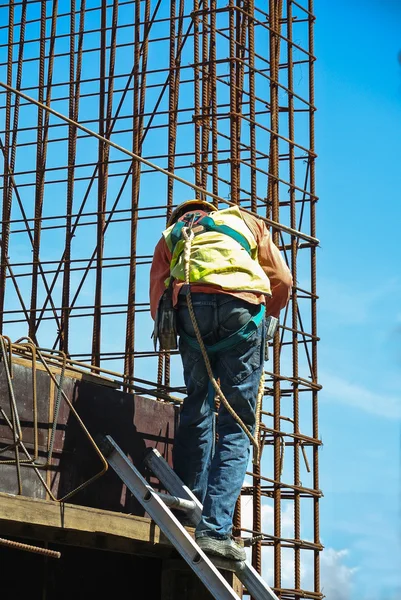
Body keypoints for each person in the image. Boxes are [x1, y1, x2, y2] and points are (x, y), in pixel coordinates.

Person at [149, 199, 292, 561]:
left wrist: (174, 330)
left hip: (191, 310)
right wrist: (266, 318)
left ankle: (189, 507)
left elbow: (158, 298)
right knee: (238, 424)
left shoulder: (172, 236)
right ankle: (214, 531)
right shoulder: (245, 221)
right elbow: (283, 279)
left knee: (198, 404)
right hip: (242, 311)